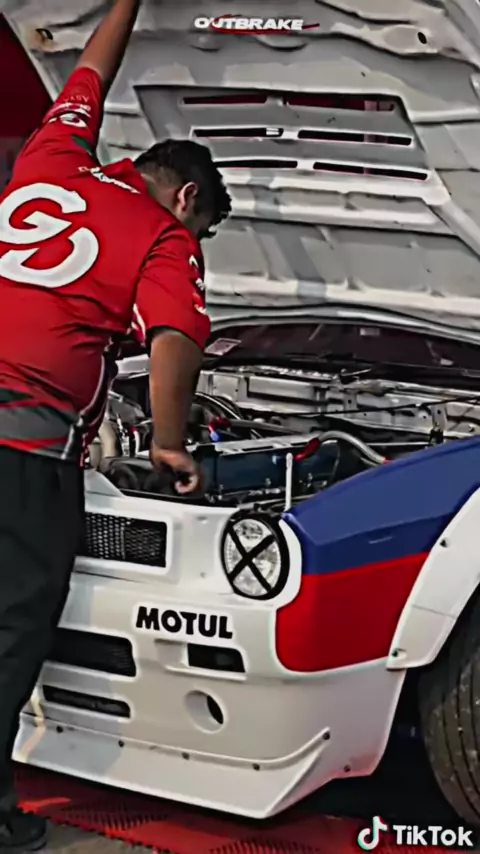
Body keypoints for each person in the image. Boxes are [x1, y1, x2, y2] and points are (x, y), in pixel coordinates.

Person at [0, 0, 231, 848]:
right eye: (203, 228)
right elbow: (175, 340)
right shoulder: (164, 235)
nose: (196, 240)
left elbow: (89, 75)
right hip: (22, 448)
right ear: (189, 197)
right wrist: (169, 442)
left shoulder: (53, 154)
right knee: (11, 627)